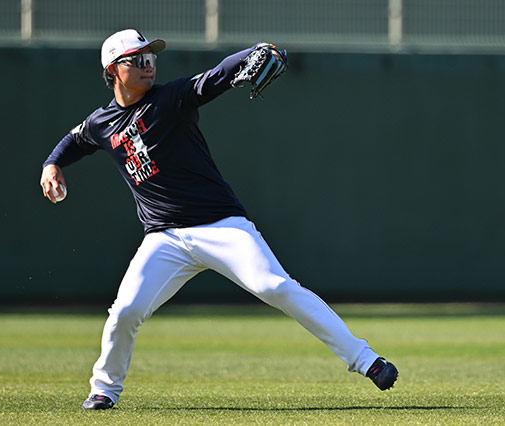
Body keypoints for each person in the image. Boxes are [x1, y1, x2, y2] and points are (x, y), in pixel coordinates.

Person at [40, 29, 398, 411]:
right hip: (164, 239)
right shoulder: (102, 122)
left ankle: (366, 360)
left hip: (221, 226)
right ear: (113, 70)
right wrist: (52, 164)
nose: (148, 66)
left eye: (151, 58)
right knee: (125, 312)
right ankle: (104, 390)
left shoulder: (171, 99)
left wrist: (254, 51)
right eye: (138, 60)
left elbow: (217, 77)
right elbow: (75, 140)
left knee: (275, 286)